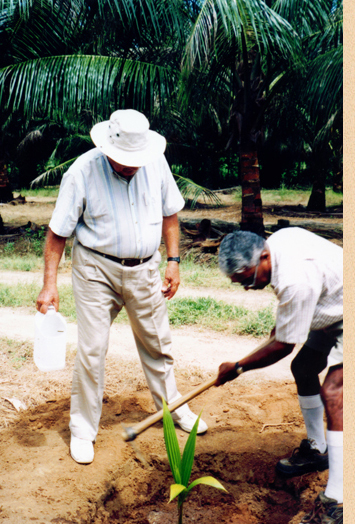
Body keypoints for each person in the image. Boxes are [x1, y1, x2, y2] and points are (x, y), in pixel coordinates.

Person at [36, 109, 207, 465]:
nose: (131, 166)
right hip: (96, 269)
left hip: (145, 268)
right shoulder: (81, 172)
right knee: (92, 349)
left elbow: (169, 214)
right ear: (108, 147)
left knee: (158, 343)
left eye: (136, 160)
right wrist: (49, 285)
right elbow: (57, 234)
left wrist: (173, 261)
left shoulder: (155, 162)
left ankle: (174, 408)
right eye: (124, 160)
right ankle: (83, 430)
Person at [217, 228, 343, 524]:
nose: (246, 287)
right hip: (333, 305)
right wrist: (284, 324)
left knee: (335, 395)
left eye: (247, 279)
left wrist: (238, 366)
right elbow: (291, 317)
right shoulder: (276, 245)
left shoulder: (295, 278)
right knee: (304, 368)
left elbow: (283, 346)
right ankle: (317, 449)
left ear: (262, 257)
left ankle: (339, 500)